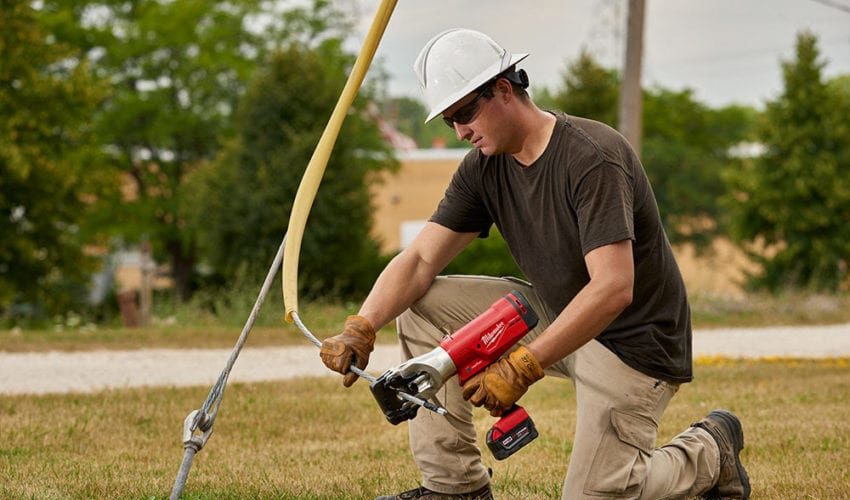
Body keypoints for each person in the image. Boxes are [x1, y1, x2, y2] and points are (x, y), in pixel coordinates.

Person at [319, 28, 750, 500]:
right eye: (449, 121)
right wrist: (362, 325)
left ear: (504, 89)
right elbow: (420, 258)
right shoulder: (484, 166)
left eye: (464, 112)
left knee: (600, 494)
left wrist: (522, 365)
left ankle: (710, 452)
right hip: (557, 312)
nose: (460, 131)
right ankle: (454, 488)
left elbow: (612, 289)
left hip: (634, 342)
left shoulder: (592, 156)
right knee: (421, 302)